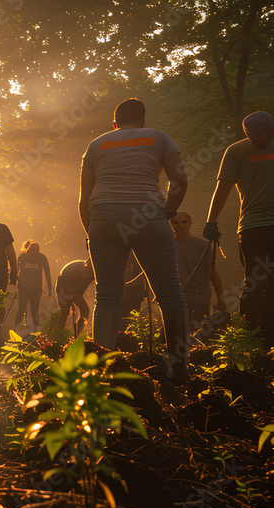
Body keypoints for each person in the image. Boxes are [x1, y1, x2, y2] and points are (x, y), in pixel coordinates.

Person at [80, 98, 190, 377]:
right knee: (170, 292)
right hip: (148, 217)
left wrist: (91, 234)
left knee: (106, 296)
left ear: (114, 123)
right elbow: (180, 180)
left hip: (103, 218)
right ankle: (178, 366)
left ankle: (102, 368)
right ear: (143, 121)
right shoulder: (158, 137)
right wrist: (167, 212)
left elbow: (84, 200)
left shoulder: (96, 144)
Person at [205, 110, 274, 343]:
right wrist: (211, 220)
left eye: (264, 135)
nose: (260, 140)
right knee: (255, 280)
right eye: (254, 137)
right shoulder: (235, 151)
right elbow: (222, 187)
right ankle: (246, 334)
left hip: (256, 227)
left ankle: (266, 336)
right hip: (252, 225)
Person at [169, 212, 226, 327]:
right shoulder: (167, 245)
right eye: (175, 222)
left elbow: (212, 273)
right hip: (173, 298)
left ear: (190, 224)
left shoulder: (203, 245)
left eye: (184, 222)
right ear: (171, 225)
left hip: (198, 298)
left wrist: (221, 300)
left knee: (197, 336)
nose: (180, 225)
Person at [15, 241, 52, 331]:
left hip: (35, 288)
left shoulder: (42, 258)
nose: (34, 254)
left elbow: (47, 272)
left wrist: (50, 288)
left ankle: (34, 332)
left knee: (34, 309)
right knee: (21, 309)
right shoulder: (22, 257)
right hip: (24, 288)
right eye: (32, 251)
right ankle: (16, 331)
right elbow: (16, 270)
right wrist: (14, 283)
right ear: (28, 250)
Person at [55, 259, 94, 332]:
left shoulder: (93, 273)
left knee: (85, 311)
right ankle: (58, 334)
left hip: (77, 290)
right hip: (62, 287)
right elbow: (71, 294)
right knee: (64, 312)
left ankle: (78, 334)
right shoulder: (70, 271)